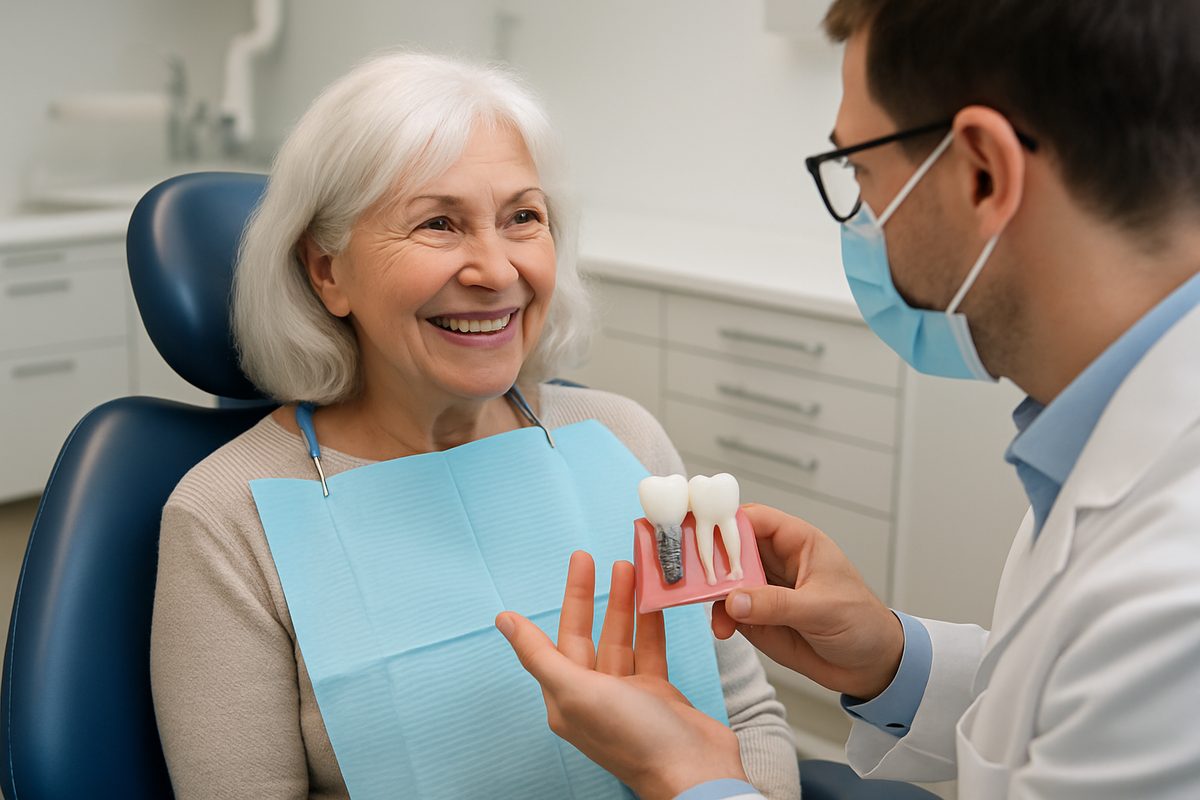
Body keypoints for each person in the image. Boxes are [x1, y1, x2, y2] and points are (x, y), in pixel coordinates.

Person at [499, 1, 1200, 798]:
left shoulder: (1177, 588)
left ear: (983, 174)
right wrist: (893, 660)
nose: (860, 216)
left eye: (860, 171)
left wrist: (685, 778)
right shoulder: (1119, 440)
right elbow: (1064, 703)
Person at [149, 52, 799, 799]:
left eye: (523, 217)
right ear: (327, 271)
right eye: (438, 224)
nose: (496, 270)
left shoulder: (625, 440)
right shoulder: (228, 516)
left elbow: (745, 718)